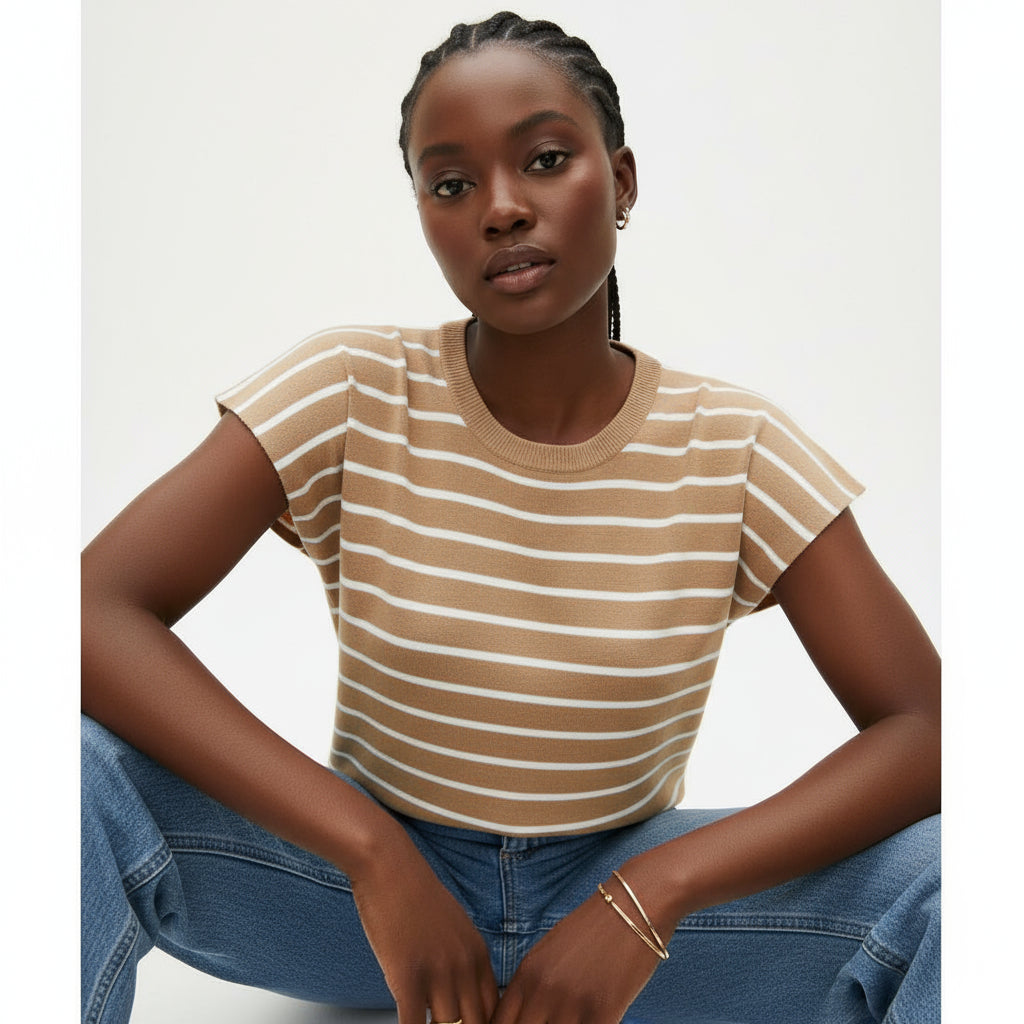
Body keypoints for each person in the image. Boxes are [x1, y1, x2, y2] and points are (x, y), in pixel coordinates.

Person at [81, 11, 940, 1024]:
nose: (499, 208)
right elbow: (89, 610)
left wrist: (650, 894)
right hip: (353, 899)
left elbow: (929, 728)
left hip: (628, 907)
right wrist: (370, 851)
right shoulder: (352, 390)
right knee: (64, 768)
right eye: (450, 184)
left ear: (619, 182)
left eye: (542, 159)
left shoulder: (736, 446)